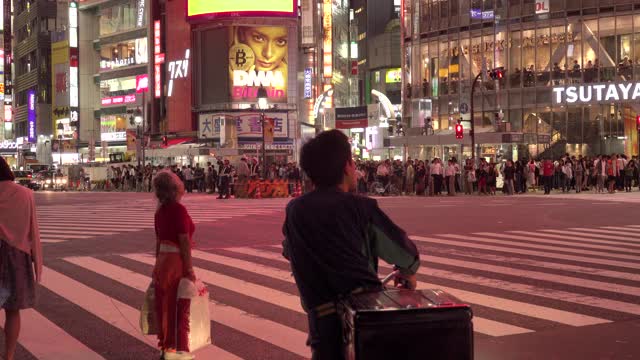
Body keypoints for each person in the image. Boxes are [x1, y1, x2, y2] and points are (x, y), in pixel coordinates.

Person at [282, 130, 420, 360]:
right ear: (347, 166)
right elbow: (406, 253)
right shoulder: (360, 208)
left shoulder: (295, 210)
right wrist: (408, 272)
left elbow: (289, 250)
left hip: (321, 322)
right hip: (360, 318)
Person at [0, 156, 43, 360]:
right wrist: (37, 263)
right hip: (17, 257)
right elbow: (32, 230)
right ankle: (8, 356)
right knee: (12, 310)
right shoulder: (26, 194)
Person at [152, 170, 197, 360]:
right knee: (178, 305)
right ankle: (177, 349)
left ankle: (166, 347)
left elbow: (158, 240)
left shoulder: (160, 211)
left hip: (163, 262)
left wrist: (156, 266)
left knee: (164, 305)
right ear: (174, 188)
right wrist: (189, 268)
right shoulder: (179, 210)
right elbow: (184, 241)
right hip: (175, 262)